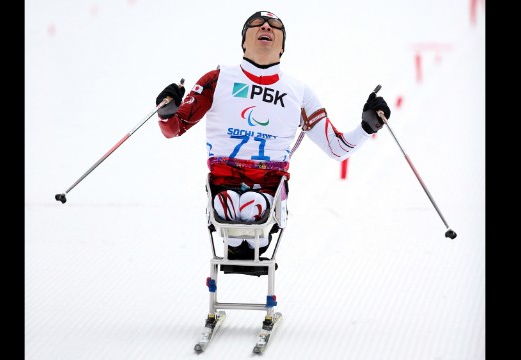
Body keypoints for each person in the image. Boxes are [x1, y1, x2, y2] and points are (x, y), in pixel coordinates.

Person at [155, 10, 391, 264]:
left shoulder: (298, 92)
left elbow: (337, 148)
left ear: (282, 47)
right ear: (244, 41)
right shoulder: (217, 79)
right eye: (256, 23)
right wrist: (166, 112)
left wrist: (368, 127)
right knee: (229, 203)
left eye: (274, 25)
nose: (266, 26)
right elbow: (174, 129)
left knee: (252, 204)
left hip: (268, 188)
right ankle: (236, 238)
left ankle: (254, 237)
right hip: (223, 183)